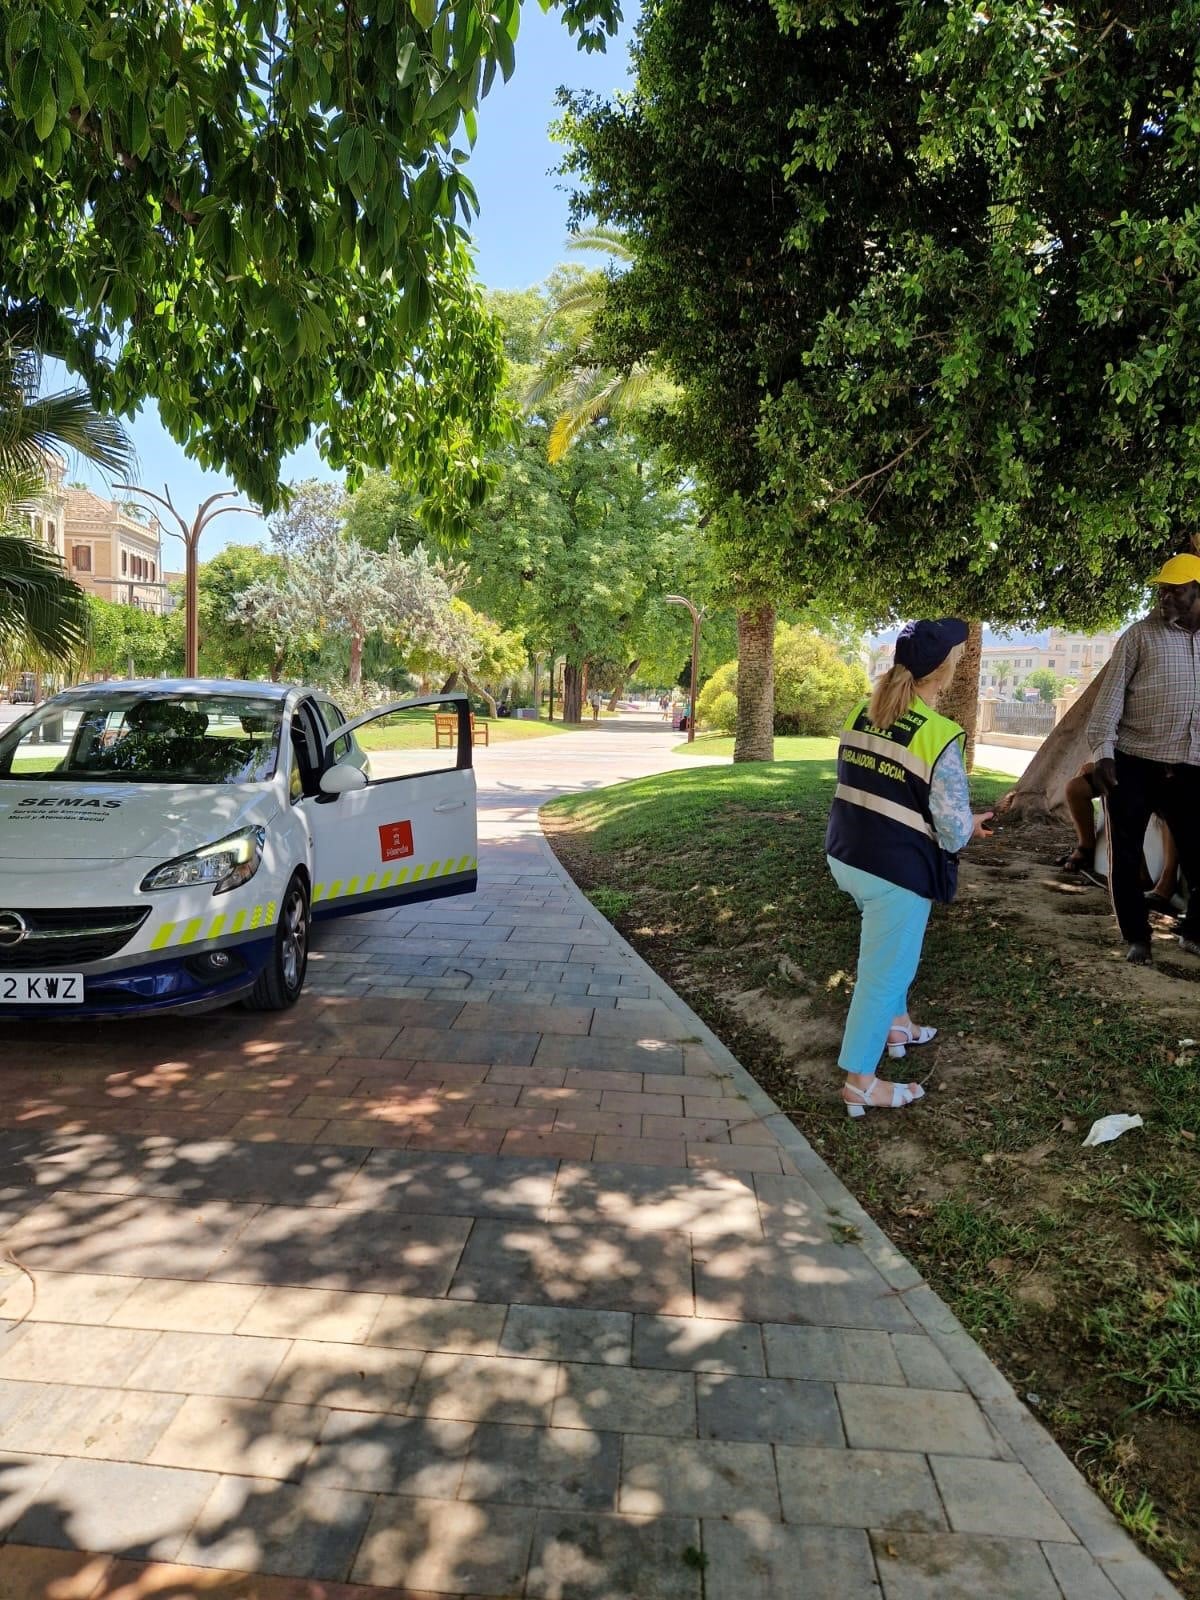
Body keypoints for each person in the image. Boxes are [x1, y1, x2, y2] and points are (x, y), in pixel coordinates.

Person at [826, 618, 994, 1116]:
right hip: (894, 873)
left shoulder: (862, 711)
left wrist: (960, 821)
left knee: (888, 955)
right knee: (884, 971)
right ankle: (861, 1081)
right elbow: (951, 829)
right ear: (943, 673)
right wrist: (970, 825)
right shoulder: (941, 735)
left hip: (847, 855)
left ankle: (897, 1024)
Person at [1086, 553, 1200, 964]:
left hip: (1191, 766)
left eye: (1177, 589)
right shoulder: (1139, 636)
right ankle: (1137, 936)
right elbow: (1108, 702)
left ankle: (1195, 931)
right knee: (1127, 855)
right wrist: (1103, 755)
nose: (1166, 597)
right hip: (1134, 763)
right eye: (1163, 589)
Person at [1058, 761, 1180, 908]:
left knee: (1174, 802)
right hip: (1133, 769)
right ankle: (1086, 848)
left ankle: (1166, 882)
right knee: (1075, 788)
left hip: (1170, 774)